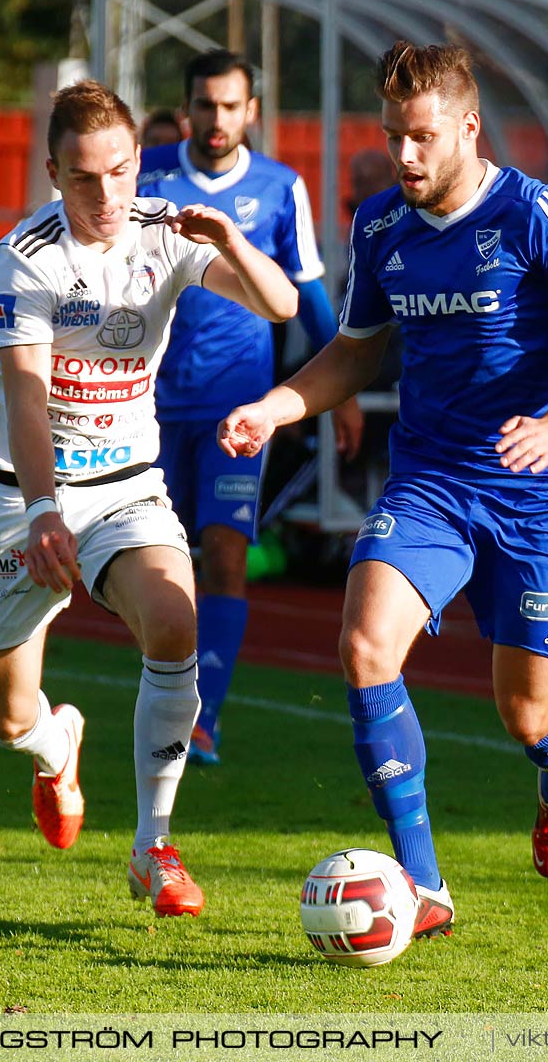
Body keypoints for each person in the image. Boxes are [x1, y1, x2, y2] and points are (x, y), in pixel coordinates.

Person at [218, 41, 548, 939]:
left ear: (467, 127)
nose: (404, 156)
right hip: (432, 483)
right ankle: (424, 885)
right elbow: (355, 350)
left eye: (420, 138)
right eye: (392, 137)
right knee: (366, 648)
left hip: (541, 493)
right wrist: (275, 406)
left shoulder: (536, 216)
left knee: (526, 712)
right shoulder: (380, 228)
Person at [0, 78, 296, 917]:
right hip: (22, 495)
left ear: (137, 162)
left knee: (175, 620)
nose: (105, 194)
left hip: (125, 487)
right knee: (8, 718)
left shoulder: (167, 232)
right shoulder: (25, 258)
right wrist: (41, 510)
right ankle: (57, 745)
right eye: (83, 178)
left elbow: (282, 303)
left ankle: (153, 844)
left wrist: (230, 240)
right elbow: (29, 396)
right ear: (53, 173)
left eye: (118, 171)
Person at [139, 50, 364, 766]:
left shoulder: (279, 188)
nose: (217, 119)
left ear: (252, 112)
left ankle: (206, 716)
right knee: (153, 564)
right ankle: (168, 693)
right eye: (205, 105)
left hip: (239, 404)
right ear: (186, 109)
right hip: (146, 403)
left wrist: (342, 390)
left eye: (231, 106)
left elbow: (311, 293)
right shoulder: (147, 176)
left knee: (227, 556)